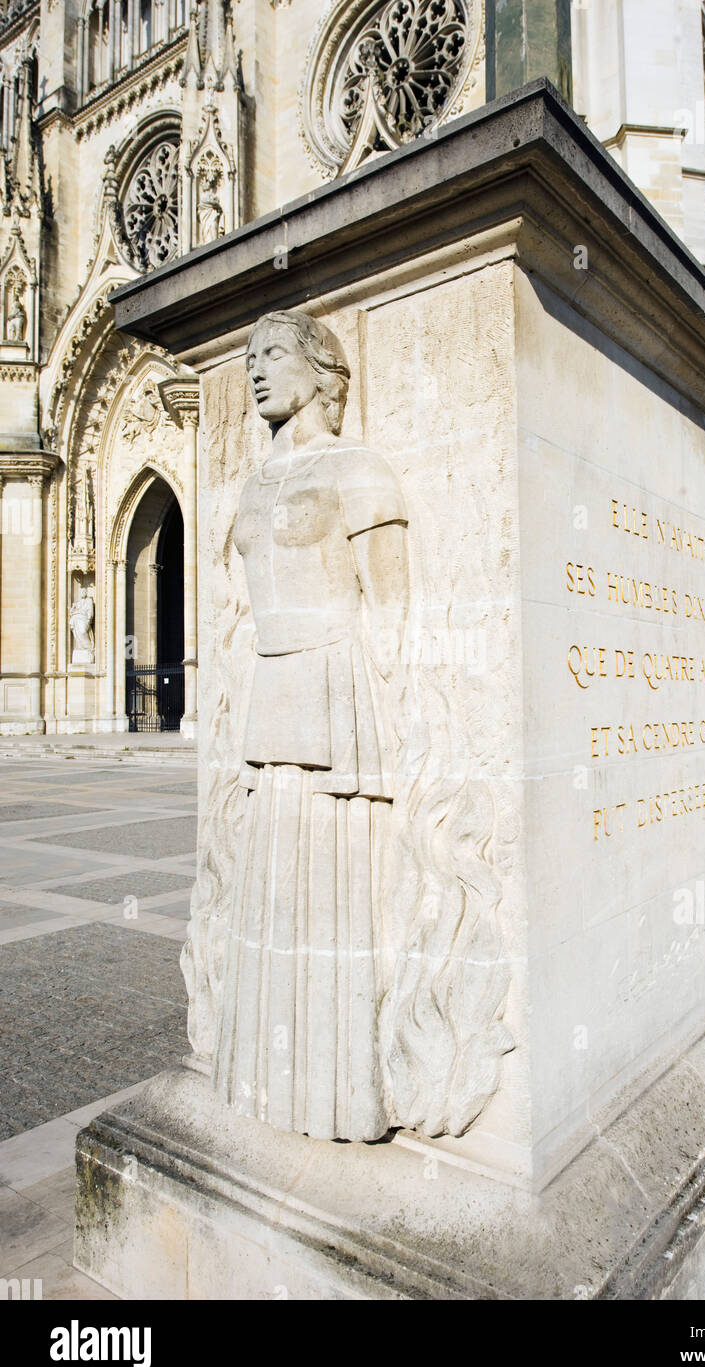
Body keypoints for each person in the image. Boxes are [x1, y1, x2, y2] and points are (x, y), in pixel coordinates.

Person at [213, 309, 409, 1141]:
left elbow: (393, 614)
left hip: (333, 697)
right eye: (250, 356)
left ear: (323, 373)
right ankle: (262, 1076)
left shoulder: (361, 472)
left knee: (331, 897)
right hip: (269, 700)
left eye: (274, 356)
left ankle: (341, 1094)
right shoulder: (253, 485)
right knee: (267, 893)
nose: (256, 371)